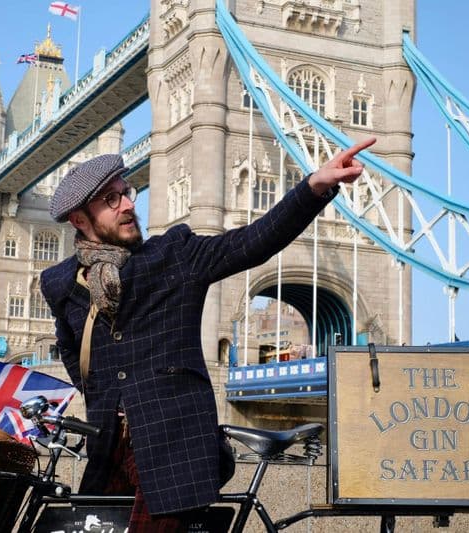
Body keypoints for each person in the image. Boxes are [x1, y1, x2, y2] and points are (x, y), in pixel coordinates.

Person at [41, 138, 376, 531]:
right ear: (79, 220)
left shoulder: (175, 256)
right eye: (111, 200)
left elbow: (254, 241)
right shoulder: (61, 283)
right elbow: (69, 346)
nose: (129, 204)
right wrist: (104, 396)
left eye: (126, 193)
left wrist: (315, 186)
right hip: (108, 445)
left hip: (175, 448)